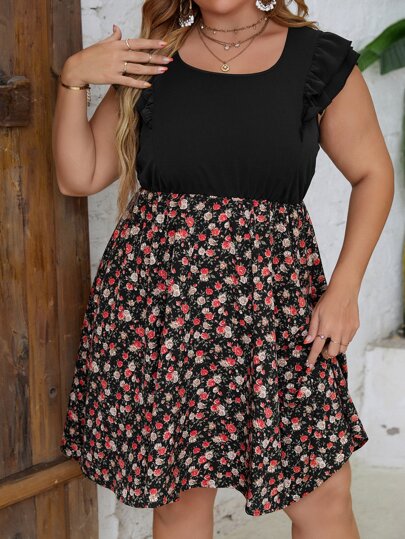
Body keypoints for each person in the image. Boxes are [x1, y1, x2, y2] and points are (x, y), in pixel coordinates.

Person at [52, 1, 394, 538]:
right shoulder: (153, 59)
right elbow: (80, 175)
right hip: (162, 307)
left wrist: (346, 289)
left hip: (277, 308)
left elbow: (373, 173)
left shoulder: (317, 60)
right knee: (179, 498)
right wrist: (74, 79)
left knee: (322, 495)